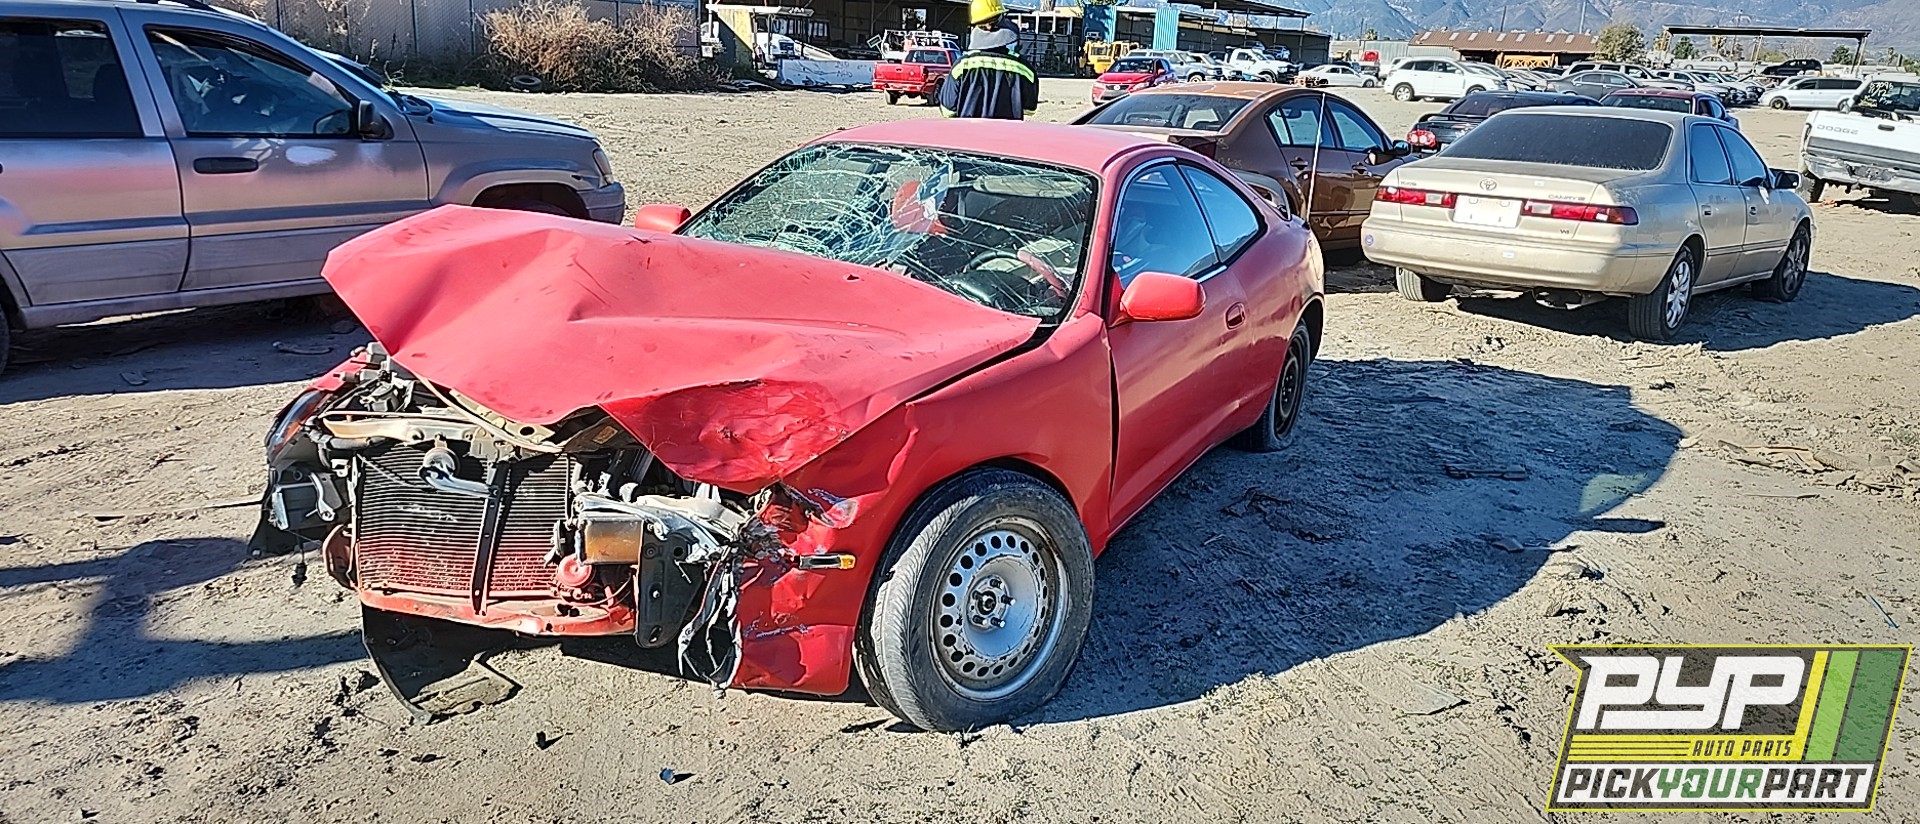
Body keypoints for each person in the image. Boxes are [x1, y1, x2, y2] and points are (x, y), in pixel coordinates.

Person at [938, 0, 1038, 120]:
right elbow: (1030, 109)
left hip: (969, 137)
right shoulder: (1024, 69)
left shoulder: (961, 67)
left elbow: (947, 111)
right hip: (1008, 137)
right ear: (1001, 20)